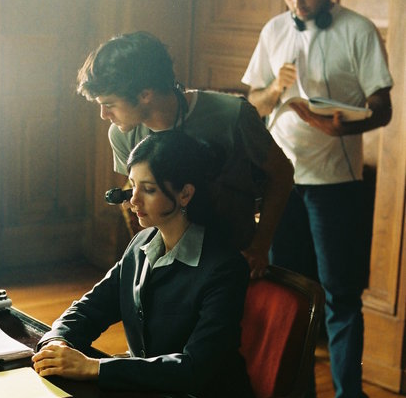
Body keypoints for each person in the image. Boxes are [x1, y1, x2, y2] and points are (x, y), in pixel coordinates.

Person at [242, 0, 393, 398]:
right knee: (291, 287)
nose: (297, 3)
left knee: (341, 297)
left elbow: (383, 108)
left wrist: (344, 123)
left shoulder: (358, 30)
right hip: (282, 180)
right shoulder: (273, 30)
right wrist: (276, 92)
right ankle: (295, 389)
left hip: (336, 184)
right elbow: (252, 104)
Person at [33, 130, 254, 398]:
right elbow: (91, 308)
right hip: (151, 394)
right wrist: (58, 341)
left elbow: (195, 369)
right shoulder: (142, 242)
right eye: (133, 186)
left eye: (148, 190)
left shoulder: (224, 267)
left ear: (185, 194)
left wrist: (94, 368)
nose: (133, 201)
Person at [76, 31, 293, 279]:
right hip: (168, 266)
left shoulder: (233, 115)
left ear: (145, 94)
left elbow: (282, 174)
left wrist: (260, 246)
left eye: (110, 104)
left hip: (233, 260)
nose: (104, 115)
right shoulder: (121, 134)